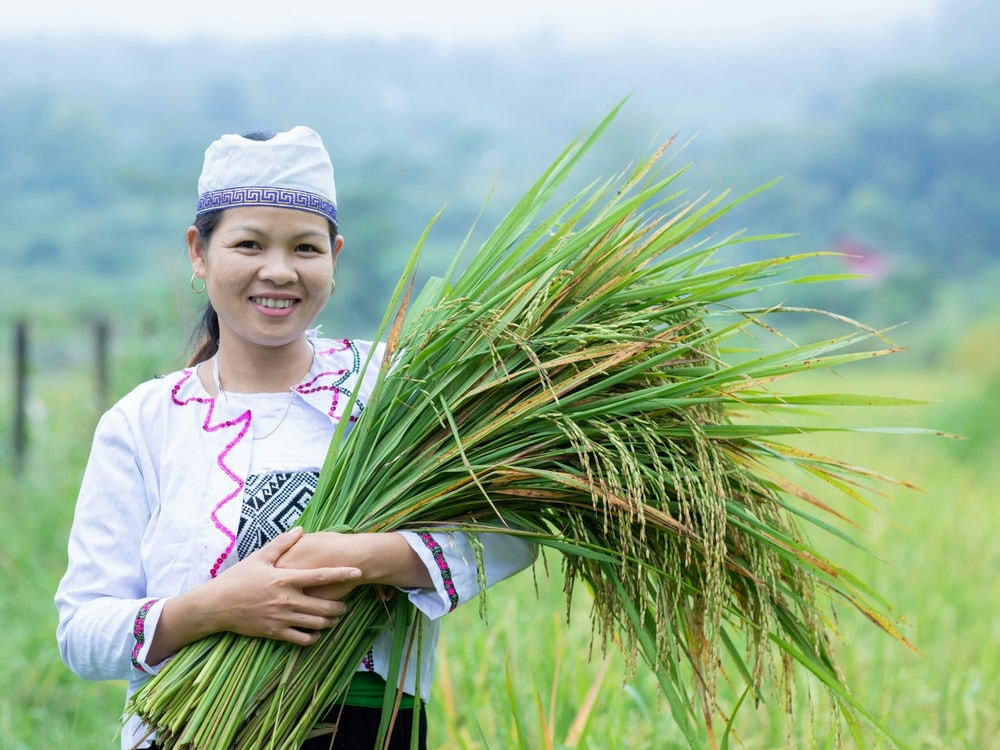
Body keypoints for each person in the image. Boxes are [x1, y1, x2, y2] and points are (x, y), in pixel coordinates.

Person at [55, 126, 537, 750]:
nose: (278, 272)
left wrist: (364, 559)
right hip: (183, 730)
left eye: (306, 249)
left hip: (367, 730)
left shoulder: (393, 388)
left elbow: (507, 531)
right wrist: (214, 607)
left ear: (335, 255)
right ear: (198, 254)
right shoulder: (145, 422)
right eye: (249, 244)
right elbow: (83, 629)